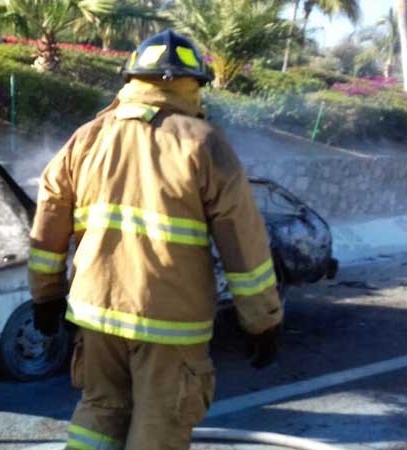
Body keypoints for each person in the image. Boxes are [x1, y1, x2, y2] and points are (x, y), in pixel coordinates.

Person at [28, 30, 283, 450]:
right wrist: (262, 319)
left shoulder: (87, 137)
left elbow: (48, 222)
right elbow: (244, 243)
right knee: (159, 425)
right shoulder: (205, 144)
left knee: (100, 411)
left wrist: (45, 297)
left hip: (96, 312)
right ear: (195, 84)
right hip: (170, 323)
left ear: (132, 79)